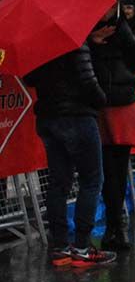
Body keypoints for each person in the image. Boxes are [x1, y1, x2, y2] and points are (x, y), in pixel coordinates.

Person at [24, 43, 116, 267]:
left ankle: (60, 247)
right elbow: (88, 80)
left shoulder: (37, 43)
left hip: (48, 117)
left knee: (58, 182)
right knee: (91, 180)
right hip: (78, 116)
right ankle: (82, 247)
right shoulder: (74, 42)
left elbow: (30, 79)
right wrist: (101, 99)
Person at [90, 5, 135, 252]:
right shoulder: (90, 27)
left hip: (123, 103)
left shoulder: (130, 26)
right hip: (99, 104)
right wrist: (92, 41)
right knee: (105, 169)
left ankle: (118, 226)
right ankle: (113, 224)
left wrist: (123, 28)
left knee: (119, 167)